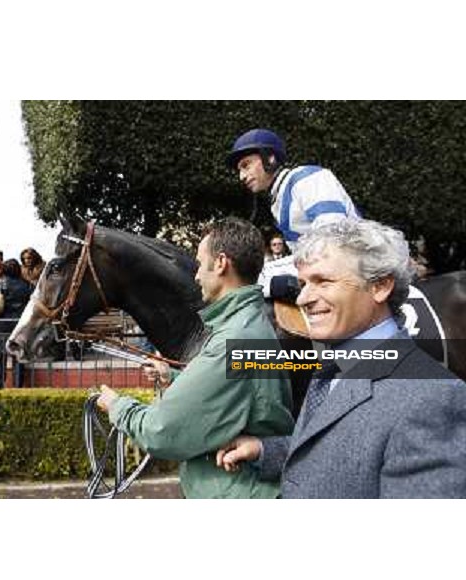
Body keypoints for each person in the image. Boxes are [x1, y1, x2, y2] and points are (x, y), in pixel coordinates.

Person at [216, 218, 466, 498]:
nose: (302, 299)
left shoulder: (434, 399)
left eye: (323, 281)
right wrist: (265, 450)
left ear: (380, 286)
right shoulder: (334, 367)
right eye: (303, 284)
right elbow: (344, 442)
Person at [96, 217, 294, 499]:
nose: (197, 275)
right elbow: (239, 390)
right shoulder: (248, 324)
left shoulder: (234, 338)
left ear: (222, 263)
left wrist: (118, 406)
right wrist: (173, 377)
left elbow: (161, 431)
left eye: (200, 264)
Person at [227, 128, 360, 300]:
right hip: (330, 274)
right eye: (239, 170)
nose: (241, 176)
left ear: (270, 158)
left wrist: (269, 282)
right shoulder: (278, 199)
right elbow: (301, 256)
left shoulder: (308, 179)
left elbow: (334, 241)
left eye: (246, 165)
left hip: (358, 272)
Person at [0, 258, 31, 389]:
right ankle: (18, 387)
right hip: (19, 324)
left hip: (1, 324)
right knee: (18, 357)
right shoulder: (27, 285)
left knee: (0, 356)